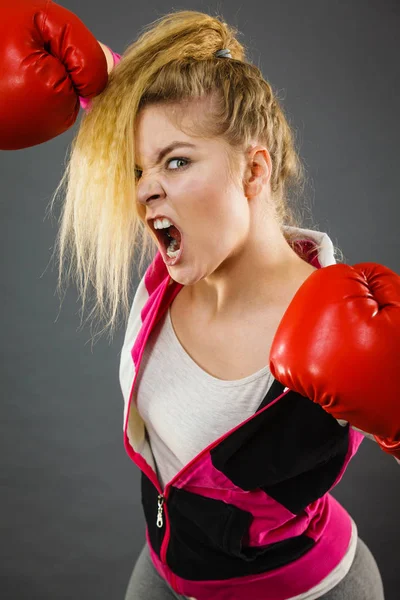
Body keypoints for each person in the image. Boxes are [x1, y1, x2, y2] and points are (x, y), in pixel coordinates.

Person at [2, 3, 399, 599]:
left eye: (177, 161)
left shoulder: (341, 323)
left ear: (253, 171)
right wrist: (98, 76)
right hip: (163, 572)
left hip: (305, 590)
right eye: (138, 169)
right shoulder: (171, 274)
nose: (144, 190)